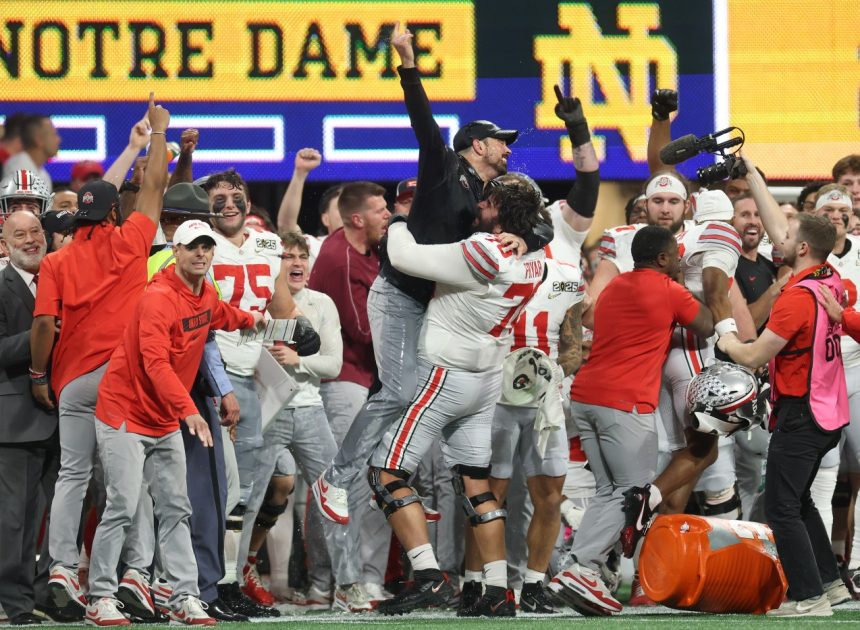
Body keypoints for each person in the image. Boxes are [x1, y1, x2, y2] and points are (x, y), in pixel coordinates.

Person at [312, 21, 552, 527]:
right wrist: (406, 61)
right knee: (398, 392)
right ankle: (334, 476)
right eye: (499, 142)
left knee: (426, 395)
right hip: (399, 293)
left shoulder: (491, 196)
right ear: (475, 145)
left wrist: (525, 237)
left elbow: (543, 219)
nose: (507, 148)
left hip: (430, 303)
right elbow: (422, 121)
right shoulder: (445, 167)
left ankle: (406, 478)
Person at [369, 178, 546, 617]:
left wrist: (396, 220)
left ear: (501, 211)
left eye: (487, 202)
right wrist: (527, 234)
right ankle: (499, 589)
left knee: (385, 473)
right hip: (485, 380)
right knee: (475, 483)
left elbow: (403, 255)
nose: (478, 206)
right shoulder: (535, 259)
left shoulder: (486, 250)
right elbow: (542, 232)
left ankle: (428, 576)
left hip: (446, 375)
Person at [29, 93, 171, 619]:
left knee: (72, 474)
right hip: (119, 380)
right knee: (124, 481)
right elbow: (154, 186)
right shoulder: (133, 239)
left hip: (71, 380)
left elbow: (44, 324)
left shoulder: (58, 261)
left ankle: (63, 565)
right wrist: (159, 132)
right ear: (115, 211)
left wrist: (39, 373)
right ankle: (131, 574)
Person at [85, 220, 263, 627]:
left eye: (206, 247)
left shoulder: (203, 294)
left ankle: (184, 596)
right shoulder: (158, 298)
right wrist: (190, 410)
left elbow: (225, 315)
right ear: (176, 251)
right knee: (123, 507)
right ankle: (100, 597)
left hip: (162, 417)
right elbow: (155, 364)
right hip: (125, 414)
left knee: (176, 509)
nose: (201, 254)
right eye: (192, 247)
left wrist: (262, 322)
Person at [550, 225, 714, 616]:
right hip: (625, 402)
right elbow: (706, 326)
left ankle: (581, 568)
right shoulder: (667, 288)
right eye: (674, 255)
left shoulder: (616, 286)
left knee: (609, 490)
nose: (678, 261)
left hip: (586, 396)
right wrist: (688, 287)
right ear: (662, 259)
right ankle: (584, 566)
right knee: (633, 493)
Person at [718, 158, 852, 617]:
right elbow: (789, 233)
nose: (780, 242)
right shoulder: (831, 279)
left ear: (801, 250)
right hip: (828, 413)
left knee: (780, 505)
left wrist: (725, 335)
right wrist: (753, 176)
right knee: (798, 499)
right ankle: (829, 585)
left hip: (802, 411)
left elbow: (755, 356)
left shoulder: (795, 297)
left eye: (789, 240)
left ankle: (809, 597)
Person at [202, 167, 318, 615]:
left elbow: (279, 304)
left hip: (257, 376)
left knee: (255, 486)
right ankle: (213, 583)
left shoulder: (266, 245)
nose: (230, 205)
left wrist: (300, 329)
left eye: (237, 196)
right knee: (224, 487)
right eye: (220, 198)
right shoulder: (199, 245)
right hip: (217, 375)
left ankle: (230, 579)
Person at [146, 183, 250, 622]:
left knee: (152, 499)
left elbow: (212, 327)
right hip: (172, 392)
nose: (203, 247)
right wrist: (221, 389)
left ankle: (161, 588)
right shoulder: (166, 271)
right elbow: (202, 341)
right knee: (201, 495)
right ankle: (197, 589)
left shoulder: (157, 263)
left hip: (152, 392)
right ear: (174, 230)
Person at [236, 231, 343, 609]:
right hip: (265, 408)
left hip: (309, 407)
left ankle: (342, 585)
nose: (295, 263)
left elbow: (334, 363)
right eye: (287, 256)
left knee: (336, 496)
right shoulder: (253, 296)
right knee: (248, 499)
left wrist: (299, 360)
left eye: (302, 256)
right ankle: (236, 579)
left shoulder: (322, 302)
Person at [306, 180, 390, 612]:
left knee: (361, 483)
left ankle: (348, 578)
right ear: (357, 219)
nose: (388, 215)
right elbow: (362, 329)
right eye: (380, 210)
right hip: (343, 380)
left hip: (367, 378)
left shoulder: (366, 247)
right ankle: (336, 580)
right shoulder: (340, 258)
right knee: (346, 485)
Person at [0, 211, 63, 625]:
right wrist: (44, 332)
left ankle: (47, 594)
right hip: (16, 419)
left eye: (35, 232)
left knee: (60, 518)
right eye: (19, 235)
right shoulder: (0, 287)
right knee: (16, 520)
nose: (29, 240)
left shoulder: (61, 278)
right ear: (4, 245)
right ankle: (15, 602)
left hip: (65, 415)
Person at [3, 115, 60, 192]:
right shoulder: (18, 169)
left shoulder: (44, 175)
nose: (58, 140)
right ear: (39, 140)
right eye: (54, 134)